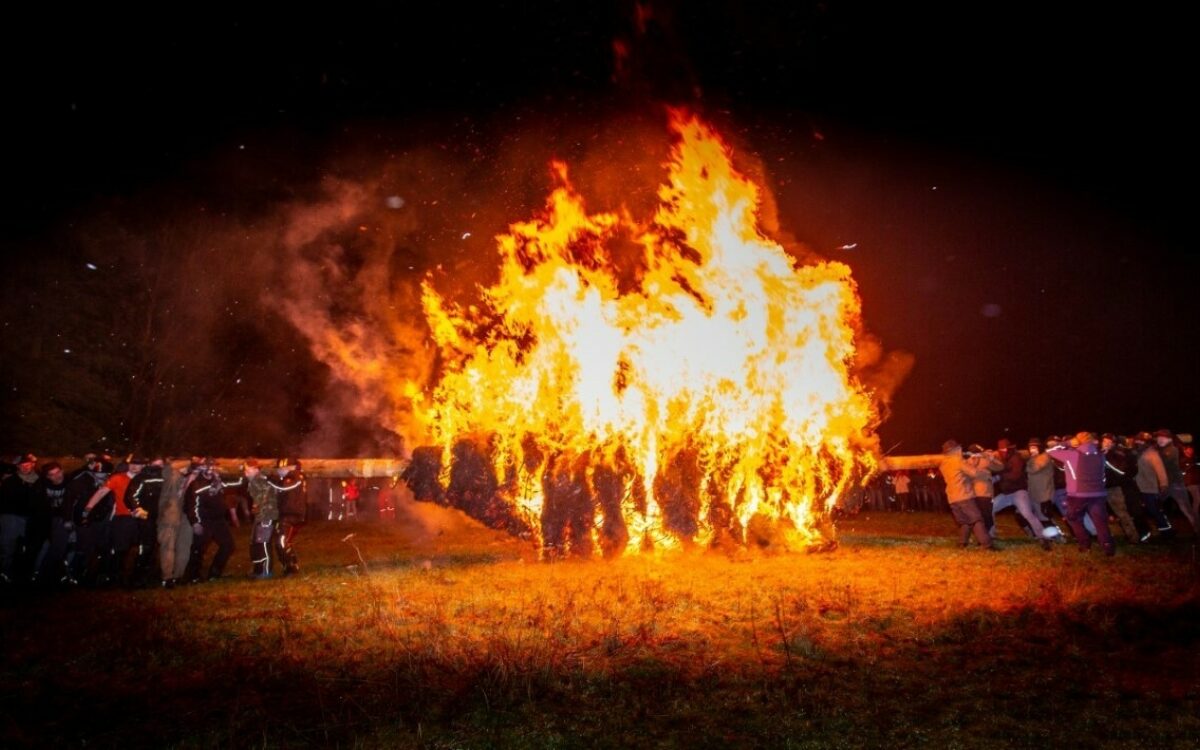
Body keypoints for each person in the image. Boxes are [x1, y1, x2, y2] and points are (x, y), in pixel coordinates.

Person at [1048, 432, 1114, 555]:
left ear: (1078, 441)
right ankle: (1108, 547)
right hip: (1098, 494)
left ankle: (1085, 545)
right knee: (1100, 521)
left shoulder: (1071, 454)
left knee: (1074, 519)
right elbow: (1103, 475)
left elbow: (1050, 450)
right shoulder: (1100, 455)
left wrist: (1067, 443)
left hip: (1077, 495)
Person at [991, 439, 1052, 550]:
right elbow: (997, 469)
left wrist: (999, 475)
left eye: (1004, 448)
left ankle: (1043, 538)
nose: (1002, 451)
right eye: (1000, 449)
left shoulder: (1016, 458)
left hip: (1019, 492)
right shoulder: (1002, 458)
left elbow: (1015, 474)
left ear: (1009, 448)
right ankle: (991, 536)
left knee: (1028, 514)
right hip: (1006, 493)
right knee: (991, 509)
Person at [184, 458, 235, 583]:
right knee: (198, 549)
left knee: (228, 545)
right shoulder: (197, 484)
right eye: (208, 467)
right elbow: (192, 505)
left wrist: (228, 471)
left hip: (219, 520)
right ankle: (192, 576)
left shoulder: (218, 481)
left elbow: (238, 481)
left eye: (213, 466)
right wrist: (195, 522)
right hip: (203, 521)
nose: (211, 469)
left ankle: (214, 574)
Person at [938, 440, 996, 550]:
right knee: (976, 519)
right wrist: (979, 465)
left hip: (952, 498)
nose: (961, 450)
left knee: (965, 521)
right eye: (959, 448)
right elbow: (974, 473)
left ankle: (962, 542)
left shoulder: (943, 464)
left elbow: (958, 474)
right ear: (956, 450)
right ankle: (987, 544)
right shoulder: (958, 461)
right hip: (964, 495)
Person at [0, 453, 41, 583]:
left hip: (31, 518)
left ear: (33, 465)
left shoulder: (39, 480)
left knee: (30, 547)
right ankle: (5, 572)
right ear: (17, 466)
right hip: (11, 517)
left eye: (27, 464)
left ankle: (28, 574)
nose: (24, 467)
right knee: (7, 546)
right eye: (21, 465)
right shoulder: (10, 481)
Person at [269, 458, 307, 575]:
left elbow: (284, 487)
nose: (279, 471)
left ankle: (290, 567)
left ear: (292, 467)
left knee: (281, 542)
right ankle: (292, 565)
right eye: (279, 469)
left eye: (283, 468)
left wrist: (269, 479)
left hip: (291, 514)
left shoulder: (295, 476)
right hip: (288, 514)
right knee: (285, 541)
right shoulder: (290, 477)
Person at [1155, 429, 1198, 531]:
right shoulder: (1163, 450)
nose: (1160, 440)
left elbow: (1166, 463)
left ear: (1170, 439)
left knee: (1186, 509)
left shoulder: (1172, 450)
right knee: (1156, 505)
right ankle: (1167, 527)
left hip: (1174, 484)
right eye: (1159, 437)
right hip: (1168, 484)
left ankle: (1197, 529)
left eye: (1163, 438)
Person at [244, 460, 276, 579]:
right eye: (245, 470)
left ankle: (266, 571)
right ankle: (258, 570)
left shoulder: (260, 480)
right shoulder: (255, 480)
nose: (246, 473)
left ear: (256, 469)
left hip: (267, 515)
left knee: (263, 543)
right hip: (260, 516)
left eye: (248, 470)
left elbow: (266, 496)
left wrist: (258, 506)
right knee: (256, 543)